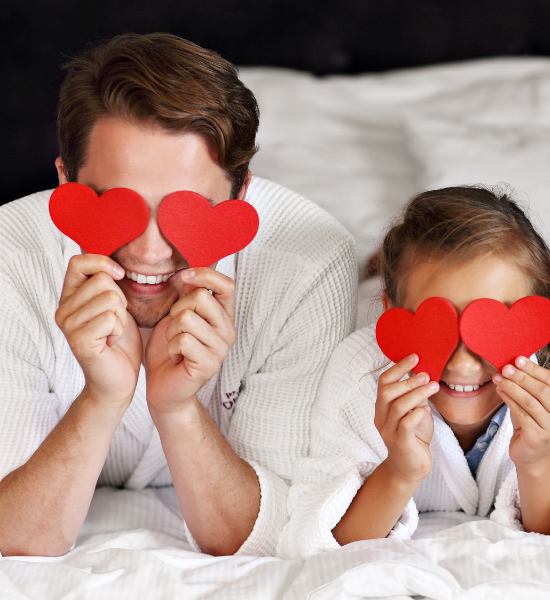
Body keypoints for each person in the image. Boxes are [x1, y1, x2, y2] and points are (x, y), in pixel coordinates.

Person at [0, 33, 356, 556]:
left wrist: (178, 408)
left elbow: (267, 535)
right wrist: (101, 399)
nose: (148, 253)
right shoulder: (9, 257)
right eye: (117, 204)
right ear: (64, 182)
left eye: (184, 210)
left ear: (241, 192)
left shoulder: (309, 265)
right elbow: (16, 538)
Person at [278, 186, 550, 558]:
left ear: (533, 321)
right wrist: (400, 469)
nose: (462, 363)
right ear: (391, 311)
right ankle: (373, 272)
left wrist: (537, 458)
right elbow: (311, 544)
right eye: (435, 329)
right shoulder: (358, 372)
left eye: (491, 330)